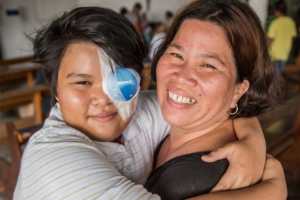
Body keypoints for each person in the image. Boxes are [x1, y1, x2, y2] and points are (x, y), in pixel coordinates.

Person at [13, 6, 286, 200]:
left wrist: (252, 139)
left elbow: (205, 102)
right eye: (82, 83)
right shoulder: (54, 159)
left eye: (120, 82)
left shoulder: (137, 111)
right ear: (56, 91)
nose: (104, 98)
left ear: (139, 79)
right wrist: (271, 191)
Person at [145, 0, 286, 199]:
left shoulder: (202, 178)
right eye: (176, 54)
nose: (182, 76)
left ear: (239, 90)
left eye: (209, 66)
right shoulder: (158, 124)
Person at [267, 0, 297, 72]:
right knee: (279, 72)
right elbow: (293, 37)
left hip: (273, 54)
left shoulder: (275, 23)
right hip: (285, 53)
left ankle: (277, 82)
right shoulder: (291, 22)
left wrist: (265, 50)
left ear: (276, 11)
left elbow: (270, 39)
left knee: (274, 74)